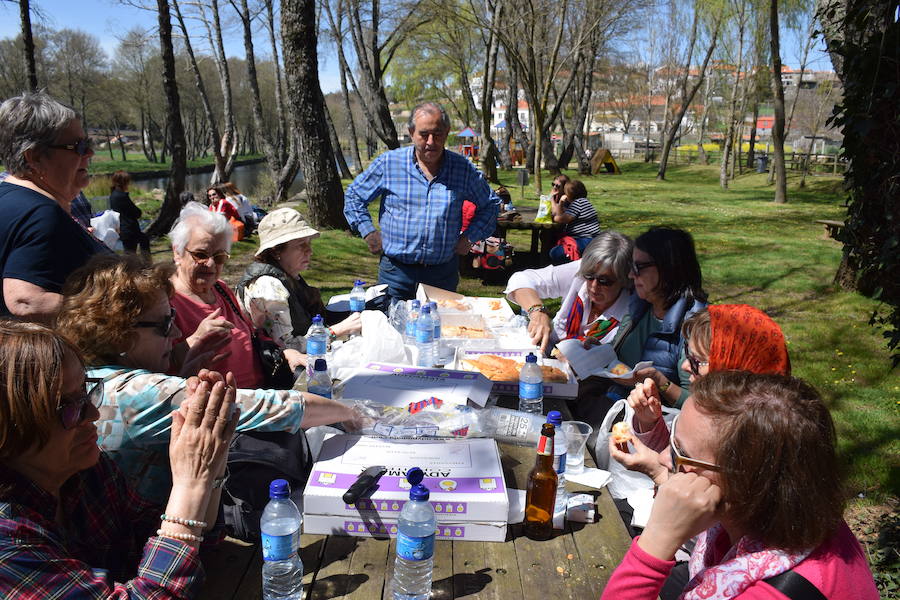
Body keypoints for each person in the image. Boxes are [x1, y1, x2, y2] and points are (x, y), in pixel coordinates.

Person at [55, 253, 362, 506]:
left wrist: (179, 372)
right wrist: (352, 413)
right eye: (165, 324)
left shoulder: (93, 378)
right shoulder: (137, 392)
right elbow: (276, 407)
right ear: (118, 332)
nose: (176, 334)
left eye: (174, 319)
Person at [0, 320, 237, 597]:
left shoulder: (87, 471)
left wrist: (213, 457)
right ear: (8, 431)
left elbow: (187, 546)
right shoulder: (8, 544)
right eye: (68, 407)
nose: (92, 415)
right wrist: (191, 482)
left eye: (86, 393)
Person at [602, 371, 879, 600]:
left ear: (743, 483)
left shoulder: (774, 592)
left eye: (679, 451)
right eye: (672, 440)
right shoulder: (790, 507)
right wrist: (657, 471)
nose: (665, 457)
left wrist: (656, 542)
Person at [343, 101, 500, 300]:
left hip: (442, 274)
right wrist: (368, 232)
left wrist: (469, 237)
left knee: (439, 328)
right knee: (389, 327)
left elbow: (491, 204)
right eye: (424, 134)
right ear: (411, 132)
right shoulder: (389, 164)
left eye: (438, 134)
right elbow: (354, 195)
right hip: (396, 273)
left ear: (447, 132)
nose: (431, 142)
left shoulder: (462, 169)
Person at [623, 304, 792, 465]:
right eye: (688, 354)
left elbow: (683, 474)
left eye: (696, 361)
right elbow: (677, 458)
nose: (685, 366)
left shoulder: (751, 439)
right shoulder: (717, 411)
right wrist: (649, 422)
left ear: (733, 367)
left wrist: (658, 472)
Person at [577, 227, 707, 434]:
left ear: (668, 269)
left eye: (638, 268)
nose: (630, 274)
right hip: (613, 403)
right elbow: (620, 356)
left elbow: (699, 405)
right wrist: (599, 351)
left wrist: (658, 381)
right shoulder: (641, 304)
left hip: (649, 427)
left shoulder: (694, 326)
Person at [0, 91, 109, 321]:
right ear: (35, 157)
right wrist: (114, 310)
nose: (90, 153)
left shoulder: (11, 199)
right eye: (79, 147)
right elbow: (25, 301)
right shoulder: (40, 213)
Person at [166, 202, 292, 386]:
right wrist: (192, 342)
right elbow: (159, 371)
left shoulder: (221, 288)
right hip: (220, 405)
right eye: (200, 254)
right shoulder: (166, 302)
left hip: (262, 392)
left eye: (219, 257)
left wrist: (286, 352)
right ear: (177, 252)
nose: (210, 264)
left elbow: (251, 335)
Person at [236, 208, 361, 366]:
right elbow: (287, 348)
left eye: (309, 243)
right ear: (276, 252)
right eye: (301, 245)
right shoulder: (269, 288)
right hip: (277, 375)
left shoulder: (287, 273)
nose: (310, 251)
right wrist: (338, 330)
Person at [504, 231, 634, 355]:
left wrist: (580, 357)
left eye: (604, 281)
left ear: (624, 279)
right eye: (589, 276)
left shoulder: (633, 313)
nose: (594, 286)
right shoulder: (580, 272)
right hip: (548, 355)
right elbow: (520, 279)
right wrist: (537, 312)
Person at [548, 179, 601, 265]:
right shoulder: (583, 202)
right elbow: (563, 215)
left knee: (555, 252)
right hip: (589, 239)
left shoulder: (578, 203)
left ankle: (567, 268)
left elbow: (562, 219)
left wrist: (555, 215)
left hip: (586, 240)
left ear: (568, 194)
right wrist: (560, 205)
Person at [109, 170, 151, 256]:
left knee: (139, 243)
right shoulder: (122, 196)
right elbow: (136, 212)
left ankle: (143, 264)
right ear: (123, 182)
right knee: (131, 253)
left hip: (122, 227)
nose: (129, 184)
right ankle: (145, 264)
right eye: (127, 182)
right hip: (129, 228)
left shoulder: (113, 195)